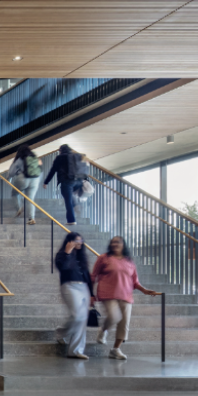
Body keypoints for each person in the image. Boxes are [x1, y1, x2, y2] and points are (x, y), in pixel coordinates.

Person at [91, 236, 160, 360]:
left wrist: (144, 290)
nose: (114, 244)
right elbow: (93, 276)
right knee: (114, 316)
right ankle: (103, 330)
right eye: (112, 242)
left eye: (117, 242)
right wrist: (91, 294)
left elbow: (135, 282)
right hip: (108, 294)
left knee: (124, 324)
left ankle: (115, 349)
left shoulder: (129, 262)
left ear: (123, 245)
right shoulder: (103, 258)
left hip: (126, 295)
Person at [54, 232, 93, 360]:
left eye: (80, 240)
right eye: (76, 240)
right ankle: (60, 333)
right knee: (78, 316)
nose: (79, 243)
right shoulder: (62, 255)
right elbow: (63, 267)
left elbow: (87, 276)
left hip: (84, 288)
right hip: (70, 286)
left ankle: (75, 351)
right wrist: (67, 252)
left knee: (82, 319)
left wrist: (92, 294)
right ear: (69, 242)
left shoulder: (82, 257)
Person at [43, 143, 82, 225]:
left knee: (68, 201)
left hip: (66, 181)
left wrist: (46, 182)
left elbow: (52, 171)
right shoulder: (75, 156)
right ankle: (75, 204)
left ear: (60, 151)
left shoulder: (59, 158)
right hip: (78, 181)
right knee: (71, 197)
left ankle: (71, 220)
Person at [7, 144, 42, 226]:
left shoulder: (20, 159)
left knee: (15, 193)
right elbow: (40, 170)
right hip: (35, 179)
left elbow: (11, 171)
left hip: (23, 178)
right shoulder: (35, 158)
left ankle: (18, 208)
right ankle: (32, 218)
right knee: (30, 199)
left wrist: (8, 179)